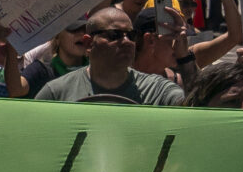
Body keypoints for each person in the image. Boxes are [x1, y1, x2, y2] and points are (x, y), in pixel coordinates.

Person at [35, 6, 186, 105]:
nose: (126, 41)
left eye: (131, 35)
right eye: (115, 35)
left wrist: (185, 58)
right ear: (89, 44)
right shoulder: (57, 94)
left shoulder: (158, 91)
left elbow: (195, 109)